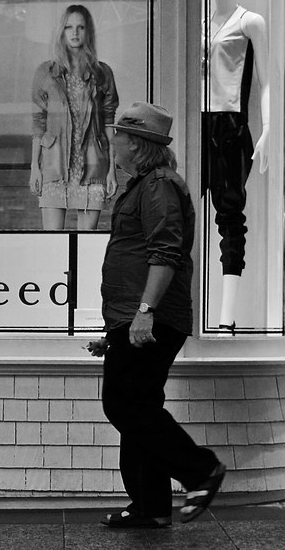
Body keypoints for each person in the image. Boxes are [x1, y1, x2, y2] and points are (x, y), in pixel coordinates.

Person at [87, 102, 227, 528]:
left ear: (138, 144)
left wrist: (144, 312)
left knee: (125, 404)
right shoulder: (145, 184)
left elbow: (165, 252)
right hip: (133, 317)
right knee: (139, 406)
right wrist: (116, 329)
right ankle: (150, 507)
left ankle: (200, 469)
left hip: (150, 316)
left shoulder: (161, 186)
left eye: (120, 137)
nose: (114, 143)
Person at [203, 0, 271, 329]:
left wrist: (268, 129)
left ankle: (226, 318)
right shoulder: (200, 23)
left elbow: (266, 81)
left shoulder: (250, 23)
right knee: (183, 211)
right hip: (200, 123)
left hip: (231, 125)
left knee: (230, 215)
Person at [29, 4, 119, 230]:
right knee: (52, 245)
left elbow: (109, 123)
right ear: (62, 31)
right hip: (54, 165)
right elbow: (39, 123)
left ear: (88, 32)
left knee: (86, 243)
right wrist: (34, 166)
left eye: (80, 27)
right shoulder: (46, 72)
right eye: (69, 27)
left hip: (91, 164)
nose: (75, 33)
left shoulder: (102, 73)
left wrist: (111, 170)